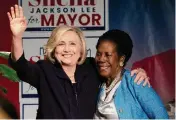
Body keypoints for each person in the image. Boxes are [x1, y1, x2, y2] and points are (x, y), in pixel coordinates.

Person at [7, 5, 150, 119]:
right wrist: (17, 36)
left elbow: (115, 73)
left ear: (81, 50)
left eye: (72, 44)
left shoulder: (92, 67)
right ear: (54, 48)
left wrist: (136, 73)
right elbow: (20, 65)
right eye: (61, 44)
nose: (67, 49)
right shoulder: (44, 70)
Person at [94, 29, 169, 119]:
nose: (101, 59)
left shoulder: (136, 81)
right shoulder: (98, 81)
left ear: (121, 59)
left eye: (108, 55)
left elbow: (162, 116)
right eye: (98, 54)